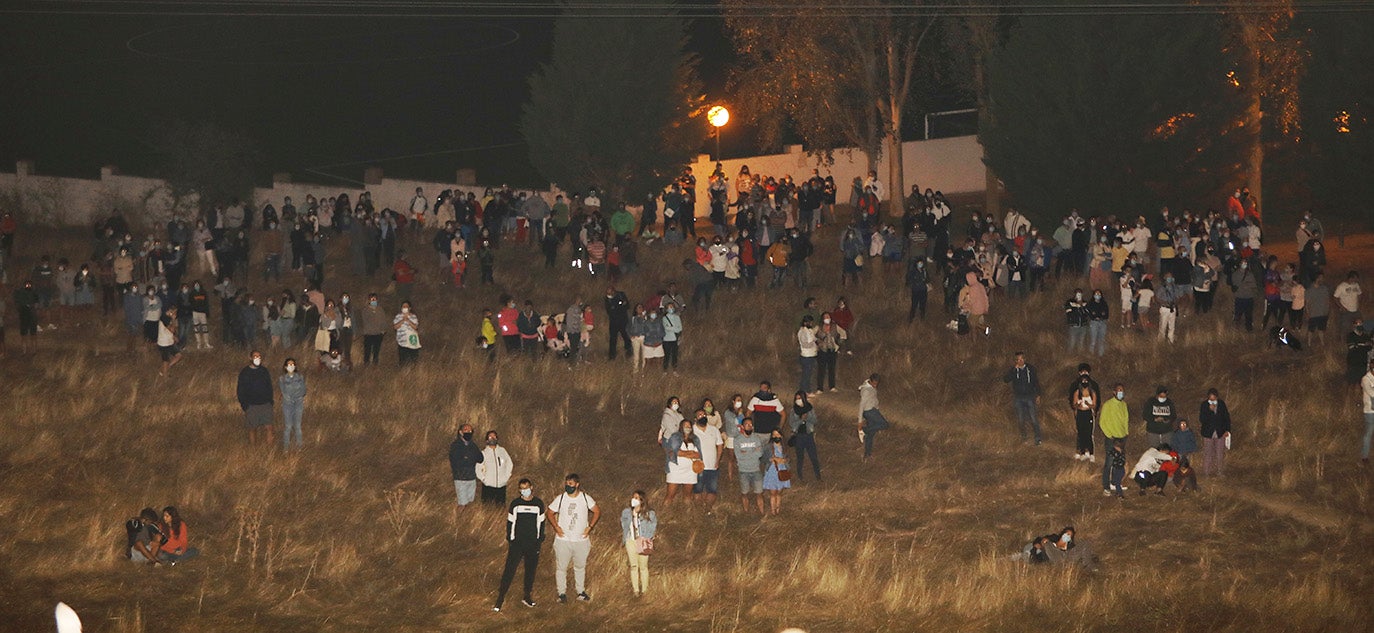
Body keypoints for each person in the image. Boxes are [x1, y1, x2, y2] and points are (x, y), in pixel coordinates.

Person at [493, 478, 544, 612]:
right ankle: (500, 598)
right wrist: (511, 540)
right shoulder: (515, 504)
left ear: (531, 487)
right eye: (522, 489)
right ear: (519, 490)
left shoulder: (538, 504)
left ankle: (527, 596)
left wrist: (538, 541)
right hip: (517, 544)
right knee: (509, 570)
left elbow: (541, 524)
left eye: (526, 488)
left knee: (530, 571)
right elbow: (510, 523)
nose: (524, 491)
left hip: (532, 544)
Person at [548, 473, 599, 603]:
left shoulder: (585, 498)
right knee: (561, 568)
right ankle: (561, 593)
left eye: (570, 484)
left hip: (581, 540)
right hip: (563, 540)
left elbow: (597, 511)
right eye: (566, 484)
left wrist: (590, 527)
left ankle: (580, 591)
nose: (568, 486)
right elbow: (550, 512)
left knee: (580, 567)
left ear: (577, 484)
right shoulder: (561, 498)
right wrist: (556, 527)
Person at [620, 490, 658, 597]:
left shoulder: (649, 513)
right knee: (633, 566)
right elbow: (623, 523)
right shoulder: (627, 512)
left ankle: (645, 590)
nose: (634, 499)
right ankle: (635, 590)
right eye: (633, 497)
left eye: (636, 498)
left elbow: (653, 526)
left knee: (643, 566)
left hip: (642, 541)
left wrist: (647, 537)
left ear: (642, 500)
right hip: (630, 541)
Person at [1002, 352, 1042, 445]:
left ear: (1025, 359)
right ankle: (1024, 437)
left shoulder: (1030, 369)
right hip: (1018, 398)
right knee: (1021, 419)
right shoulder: (1014, 370)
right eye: (1018, 360)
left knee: (1033, 418)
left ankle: (1038, 438)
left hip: (1030, 397)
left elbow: (1036, 382)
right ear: (1015, 361)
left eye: (1021, 359)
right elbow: (1006, 380)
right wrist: (1013, 370)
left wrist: (1038, 395)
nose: (1020, 361)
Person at [236, 350, 274, 446]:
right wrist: (245, 406)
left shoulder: (264, 371)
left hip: (265, 404)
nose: (258, 359)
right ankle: (253, 450)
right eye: (255, 356)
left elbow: (269, 386)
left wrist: (270, 401)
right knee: (252, 429)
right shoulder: (245, 372)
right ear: (250, 358)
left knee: (269, 428)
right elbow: (240, 390)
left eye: (259, 357)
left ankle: (270, 450)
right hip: (252, 406)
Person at [1099, 384, 1130, 495]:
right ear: (1114, 392)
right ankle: (1106, 486)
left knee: (1119, 463)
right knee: (1109, 462)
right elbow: (1102, 421)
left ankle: (1115, 482)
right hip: (1111, 438)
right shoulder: (1108, 404)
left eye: (1122, 390)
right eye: (1119, 390)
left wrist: (1126, 432)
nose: (1121, 392)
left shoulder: (1124, 405)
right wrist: (1109, 434)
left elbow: (1126, 419)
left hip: (1122, 437)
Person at [663, 419, 701, 505]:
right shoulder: (675, 437)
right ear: (681, 427)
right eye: (685, 426)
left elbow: (698, 455)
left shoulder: (695, 439)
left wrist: (683, 453)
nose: (688, 428)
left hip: (690, 471)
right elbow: (676, 452)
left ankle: (687, 512)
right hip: (675, 469)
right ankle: (664, 511)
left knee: (688, 496)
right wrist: (690, 453)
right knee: (670, 495)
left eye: (689, 426)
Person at [733, 417, 766, 513]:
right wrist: (753, 451)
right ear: (742, 427)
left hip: (756, 469)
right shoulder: (737, 440)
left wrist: (746, 452)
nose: (749, 426)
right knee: (744, 493)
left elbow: (760, 454)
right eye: (747, 425)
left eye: (751, 425)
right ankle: (746, 512)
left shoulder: (756, 438)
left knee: (759, 493)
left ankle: (762, 512)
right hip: (743, 470)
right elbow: (738, 456)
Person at [448, 424, 484, 512]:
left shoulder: (473, 445)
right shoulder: (456, 445)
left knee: (470, 503)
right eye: (466, 430)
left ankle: (467, 519)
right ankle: (457, 518)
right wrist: (470, 458)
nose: (468, 432)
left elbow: (480, 458)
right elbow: (457, 462)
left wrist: (468, 458)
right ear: (460, 432)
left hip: (471, 478)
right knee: (462, 503)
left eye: (470, 430)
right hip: (461, 478)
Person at [692, 411, 724, 507]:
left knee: (712, 491)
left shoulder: (714, 429)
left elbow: (720, 445)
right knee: (697, 491)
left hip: (712, 466)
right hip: (698, 467)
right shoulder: (692, 430)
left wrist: (717, 460)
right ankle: (699, 511)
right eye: (700, 415)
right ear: (695, 419)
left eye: (704, 415)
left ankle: (707, 510)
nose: (703, 416)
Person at [1199, 389, 1232, 476]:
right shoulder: (1204, 405)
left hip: (1220, 432)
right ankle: (1206, 473)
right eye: (1211, 399)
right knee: (1208, 453)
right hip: (1208, 433)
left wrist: (1227, 430)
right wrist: (1209, 410)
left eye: (1214, 398)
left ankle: (1220, 472)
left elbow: (1226, 417)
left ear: (1217, 397)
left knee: (1220, 453)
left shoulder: (1221, 404)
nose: (1212, 400)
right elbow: (1202, 419)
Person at [789, 391, 821, 481]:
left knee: (813, 457)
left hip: (808, 435)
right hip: (799, 436)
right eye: (796, 398)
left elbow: (815, 421)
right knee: (800, 457)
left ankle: (818, 476)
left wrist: (807, 418)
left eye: (799, 398)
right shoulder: (794, 410)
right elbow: (791, 423)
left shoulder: (810, 408)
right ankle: (800, 477)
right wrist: (800, 420)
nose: (798, 400)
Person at [477, 430, 514, 506]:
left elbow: (509, 464)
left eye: (494, 436)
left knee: (500, 507)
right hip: (488, 486)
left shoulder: (502, 451)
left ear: (497, 438)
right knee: (487, 507)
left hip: (501, 485)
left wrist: (506, 477)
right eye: (490, 437)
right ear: (487, 440)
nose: (492, 438)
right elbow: (478, 468)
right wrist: (484, 479)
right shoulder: (483, 453)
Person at [858, 373, 890, 460]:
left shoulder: (871, 386)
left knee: (870, 435)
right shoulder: (866, 391)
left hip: (873, 410)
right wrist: (860, 422)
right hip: (869, 412)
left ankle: (867, 455)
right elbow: (861, 406)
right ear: (870, 381)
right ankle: (864, 430)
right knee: (885, 425)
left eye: (877, 384)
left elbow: (874, 399)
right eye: (874, 383)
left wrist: (877, 408)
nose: (875, 385)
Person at [814, 312, 847, 393]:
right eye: (825, 317)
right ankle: (820, 388)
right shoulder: (819, 327)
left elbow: (843, 333)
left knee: (831, 369)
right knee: (821, 370)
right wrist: (817, 341)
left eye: (828, 317)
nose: (827, 318)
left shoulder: (834, 326)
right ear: (822, 318)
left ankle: (832, 386)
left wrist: (839, 342)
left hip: (832, 350)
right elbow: (811, 334)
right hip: (822, 350)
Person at [1069, 372, 1098, 462]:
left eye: (1086, 381)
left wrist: (1088, 405)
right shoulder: (1077, 392)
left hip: (1088, 414)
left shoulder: (1092, 392)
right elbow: (1073, 405)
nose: (1084, 382)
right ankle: (1082, 452)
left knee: (1089, 434)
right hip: (1080, 414)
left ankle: (1091, 453)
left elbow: (1094, 405)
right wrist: (1078, 405)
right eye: (1083, 381)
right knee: (1081, 433)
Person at [761, 429, 791, 515]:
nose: (776, 437)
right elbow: (762, 458)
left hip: (782, 470)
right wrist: (771, 459)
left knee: (779, 492)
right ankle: (773, 511)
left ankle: (778, 509)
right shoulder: (768, 447)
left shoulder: (784, 447)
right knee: (773, 492)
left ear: (781, 436)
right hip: (772, 471)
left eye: (778, 435)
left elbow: (789, 458)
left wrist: (784, 460)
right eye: (774, 435)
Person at [279, 357, 306, 450]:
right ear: (285, 367)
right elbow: (283, 392)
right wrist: (290, 398)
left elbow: (303, 390)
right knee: (288, 426)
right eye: (289, 364)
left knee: (297, 426)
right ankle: (286, 448)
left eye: (292, 364)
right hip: (287, 404)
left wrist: (298, 397)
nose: (291, 366)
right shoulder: (282, 379)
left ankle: (299, 448)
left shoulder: (300, 377)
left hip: (298, 403)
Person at [358, 293, 387, 366]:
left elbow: (383, 320)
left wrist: (383, 330)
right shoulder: (365, 310)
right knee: (367, 351)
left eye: (375, 299)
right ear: (369, 300)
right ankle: (366, 364)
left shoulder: (380, 310)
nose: (374, 301)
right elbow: (364, 321)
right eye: (372, 299)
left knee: (376, 351)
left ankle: (375, 365)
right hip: (368, 333)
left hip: (378, 333)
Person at [156, 305, 183, 377]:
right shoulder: (164, 318)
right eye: (175, 312)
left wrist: (174, 337)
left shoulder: (169, 317)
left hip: (170, 342)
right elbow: (172, 330)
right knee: (165, 360)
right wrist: (173, 319)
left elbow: (169, 331)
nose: (175, 314)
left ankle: (165, 369)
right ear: (170, 311)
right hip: (163, 343)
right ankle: (165, 377)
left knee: (178, 356)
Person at [1334, 271, 1363, 337]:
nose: (1356, 280)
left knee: (1359, 325)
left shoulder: (1356, 285)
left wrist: (1358, 302)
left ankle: (1357, 338)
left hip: (1355, 310)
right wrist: (1341, 307)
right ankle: (1343, 340)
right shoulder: (1341, 286)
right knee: (1345, 327)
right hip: (1346, 311)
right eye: (1355, 278)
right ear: (1351, 278)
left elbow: (1360, 294)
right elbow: (1335, 297)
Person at [393, 301, 421, 366]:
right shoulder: (398, 316)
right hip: (402, 342)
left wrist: (408, 320)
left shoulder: (413, 316)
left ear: (409, 308)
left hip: (412, 341)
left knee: (413, 359)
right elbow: (395, 327)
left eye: (406, 306)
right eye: (403, 306)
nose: (405, 308)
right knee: (403, 361)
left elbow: (415, 327)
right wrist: (403, 320)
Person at [797, 315, 819, 394]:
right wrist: (814, 343)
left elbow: (813, 337)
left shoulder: (809, 330)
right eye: (810, 322)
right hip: (806, 356)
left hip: (811, 355)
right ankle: (805, 391)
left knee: (808, 374)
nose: (811, 324)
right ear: (805, 323)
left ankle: (806, 390)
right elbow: (805, 344)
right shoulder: (803, 331)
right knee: (806, 375)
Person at [1363, 363, 1374, 466]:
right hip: (1370, 411)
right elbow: (1371, 393)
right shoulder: (1366, 379)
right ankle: (1365, 456)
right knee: (1368, 434)